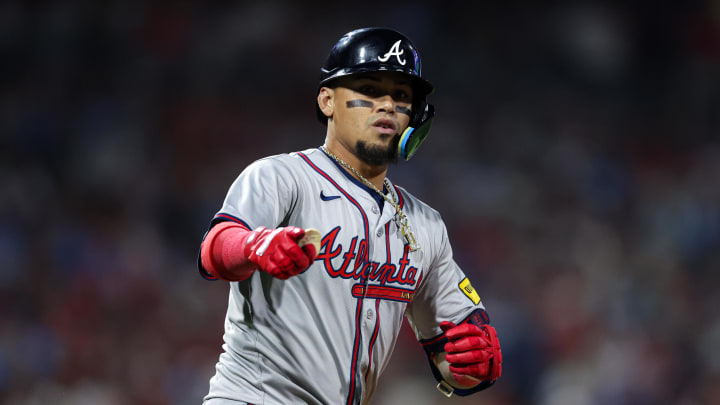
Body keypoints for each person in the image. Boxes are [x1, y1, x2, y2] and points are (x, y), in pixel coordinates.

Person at [198, 27, 502, 405]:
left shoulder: (426, 225)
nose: (388, 106)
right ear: (327, 100)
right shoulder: (282, 177)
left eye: (402, 96)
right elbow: (214, 250)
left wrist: (471, 365)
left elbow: (455, 348)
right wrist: (252, 245)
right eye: (370, 90)